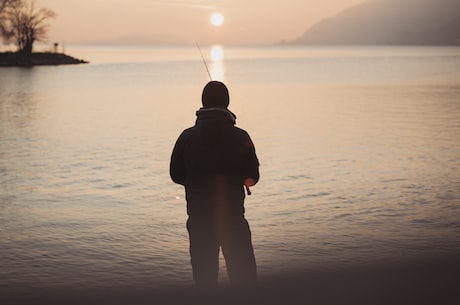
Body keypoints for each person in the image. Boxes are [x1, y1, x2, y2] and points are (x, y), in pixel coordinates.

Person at [170, 81, 260, 288]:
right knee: (244, 280)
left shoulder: (187, 137)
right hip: (233, 219)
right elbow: (253, 178)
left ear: (202, 103)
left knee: (205, 282)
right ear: (227, 103)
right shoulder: (240, 137)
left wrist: (196, 181)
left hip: (199, 220)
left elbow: (175, 174)